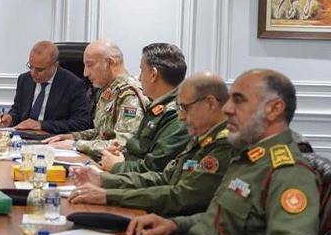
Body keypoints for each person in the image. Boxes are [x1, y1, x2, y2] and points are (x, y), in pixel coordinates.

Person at [126, 69, 321, 235]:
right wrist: (173, 224)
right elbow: (221, 220)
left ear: (274, 109)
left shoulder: (290, 173)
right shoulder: (248, 158)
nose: (227, 108)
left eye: (238, 100)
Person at [69, 71, 234, 217]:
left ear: (210, 103)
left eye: (185, 108)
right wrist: (102, 180)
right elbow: (163, 178)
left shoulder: (224, 144)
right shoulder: (202, 135)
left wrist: (108, 195)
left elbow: (181, 196)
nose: (181, 117)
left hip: (180, 228)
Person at [43, 39, 147, 158]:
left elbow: (122, 145)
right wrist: (73, 137)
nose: (85, 73)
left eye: (90, 65)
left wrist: (76, 144)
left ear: (110, 63)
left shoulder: (130, 95)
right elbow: (102, 133)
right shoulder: (109, 90)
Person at [99, 43, 190, 173]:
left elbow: (155, 167)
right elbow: (139, 148)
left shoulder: (177, 115)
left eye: (142, 70)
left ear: (154, 75)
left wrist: (118, 166)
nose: (139, 77)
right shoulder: (157, 106)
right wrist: (119, 153)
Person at [0, 41, 91, 134]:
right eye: (31, 66)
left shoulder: (73, 85)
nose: (33, 73)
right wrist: (10, 118)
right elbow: (18, 109)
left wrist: (42, 125)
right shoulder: (24, 79)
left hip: (52, 138)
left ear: (55, 65)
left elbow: (81, 123)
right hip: (23, 136)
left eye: (39, 70)